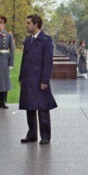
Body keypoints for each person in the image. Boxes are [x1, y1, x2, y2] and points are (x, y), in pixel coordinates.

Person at [19, 14, 57, 144]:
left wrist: (45, 81)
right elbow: (24, 60)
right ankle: (32, 134)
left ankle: (45, 136)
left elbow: (48, 62)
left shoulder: (46, 40)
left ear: (36, 24)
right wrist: (21, 77)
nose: (26, 25)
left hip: (40, 80)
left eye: (28, 23)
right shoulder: (28, 40)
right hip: (28, 79)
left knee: (42, 108)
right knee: (29, 107)